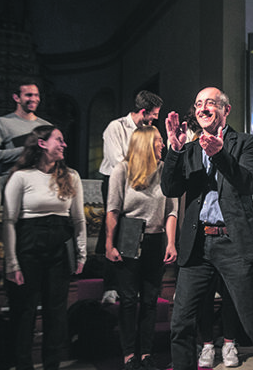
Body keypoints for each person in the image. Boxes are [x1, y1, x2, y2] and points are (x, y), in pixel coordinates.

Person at [161, 87, 253, 370]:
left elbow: (247, 184)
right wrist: (175, 150)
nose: (202, 108)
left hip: (233, 244)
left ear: (226, 110)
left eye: (210, 103)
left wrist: (219, 155)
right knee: (180, 323)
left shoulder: (245, 143)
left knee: (252, 322)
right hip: (197, 245)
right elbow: (170, 188)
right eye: (198, 104)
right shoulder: (188, 148)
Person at [3, 125, 87, 370]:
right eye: (59, 140)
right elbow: (9, 220)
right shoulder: (21, 176)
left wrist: (81, 253)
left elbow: (79, 219)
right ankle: (22, 364)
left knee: (56, 311)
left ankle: (52, 364)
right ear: (41, 143)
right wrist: (11, 262)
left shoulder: (71, 176)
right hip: (29, 243)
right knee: (25, 310)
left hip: (59, 246)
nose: (64, 144)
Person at [104, 126, 178, 370]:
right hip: (128, 237)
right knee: (127, 300)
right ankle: (128, 355)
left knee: (149, 300)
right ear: (146, 143)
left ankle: (146, 353)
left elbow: (171, 211)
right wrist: (108, 243)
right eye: (158, 141)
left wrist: (170, 242)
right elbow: (113, 210)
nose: (162, 145)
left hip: (155, 239)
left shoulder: (165, 170)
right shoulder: (122, 170)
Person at [98, 90, 164, 304]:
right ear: (143, 111)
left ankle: (131, 283)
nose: (156, 119)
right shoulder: (116, 128)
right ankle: (110, 285)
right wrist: (142, 159)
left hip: (143, 180)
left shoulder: (148, 131)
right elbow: (117, 160)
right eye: (154, 114)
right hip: (119, 179)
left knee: (136, 239)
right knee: (114, 233)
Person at [0, 78, 51, 185]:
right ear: (16, 98)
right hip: (13, 180)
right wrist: (27, 150)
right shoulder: (3, 122)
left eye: (37, 95)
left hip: (40, 182)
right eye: (29, 95)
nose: (34, 99)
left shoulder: (46, 126)